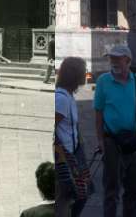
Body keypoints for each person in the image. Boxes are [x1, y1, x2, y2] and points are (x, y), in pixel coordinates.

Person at [94, 44, 136, 217]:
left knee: (135, 189)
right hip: (112, 141)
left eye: (116, 58)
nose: (112, 61)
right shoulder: (103, 81)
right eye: (110, 58)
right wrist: (100, 141)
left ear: (127, 60)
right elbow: (98, 114)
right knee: (111, 189)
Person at [55, 57, 90, 217]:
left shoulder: (69, 96)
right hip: (65, 157)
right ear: (74, 75)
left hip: (74, 153)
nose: (86, 74)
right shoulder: (61, 99)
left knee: (82, 193)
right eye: (84, 71)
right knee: (71, 196)